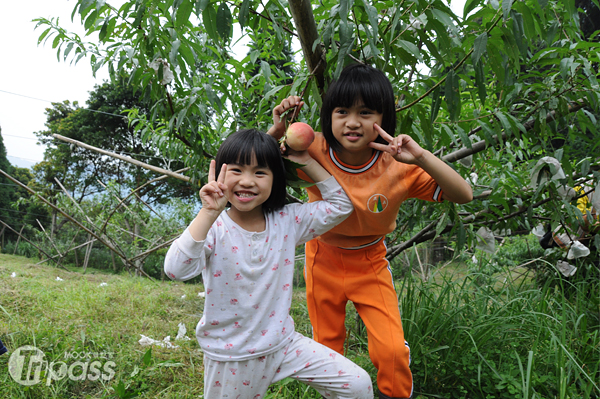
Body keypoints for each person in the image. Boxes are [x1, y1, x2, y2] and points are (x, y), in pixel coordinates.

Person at [268, 63, 473, 399]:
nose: (352, 122)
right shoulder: (312, 148)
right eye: (342, 111)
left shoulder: (400, 166)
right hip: (322, 258)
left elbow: (463, 194)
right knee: (327, 348)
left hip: (370, 263)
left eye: (365, 112)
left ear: (384, 117)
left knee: (392, 352)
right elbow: (255, 169)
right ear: (328, 116)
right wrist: (277, 132)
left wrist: (420, 157)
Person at [164, 129, 374, 399]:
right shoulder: (215, 228)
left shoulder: (287, 221)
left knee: (357, 384)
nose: (248, 181)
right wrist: (208, 213)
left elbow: (340, 204)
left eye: (261, 172)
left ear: (276, 179)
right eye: (237, 170)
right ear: (220, 175)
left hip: (283, 344)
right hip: (232, 355)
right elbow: (175, 269)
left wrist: (305, 159)